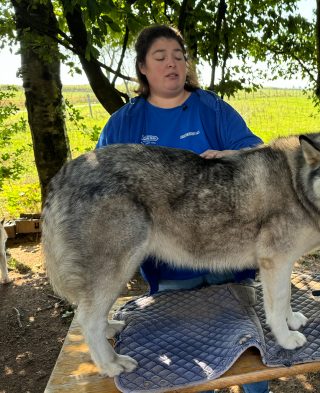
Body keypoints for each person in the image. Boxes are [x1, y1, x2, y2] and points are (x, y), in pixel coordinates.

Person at [97, 24, 270, 393]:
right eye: (160, 57)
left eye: (179, 56)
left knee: (250, 356)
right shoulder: (125, 123)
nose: (172, 64)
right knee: (183, 359)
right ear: (143, 67)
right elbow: (103, 187)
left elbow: (259, 155)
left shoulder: (211, 109)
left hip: (230, 256)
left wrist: (232, 155)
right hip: (170, 262)